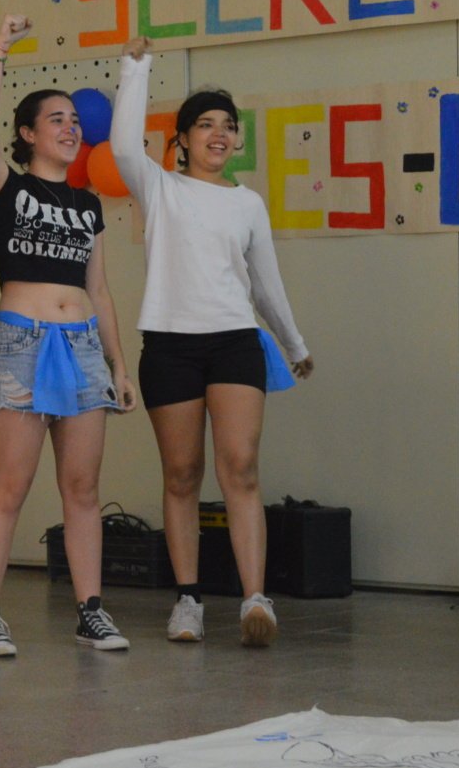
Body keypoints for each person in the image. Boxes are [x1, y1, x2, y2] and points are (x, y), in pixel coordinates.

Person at [108, 36, 313, 648]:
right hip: (169, 346)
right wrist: (136, 69)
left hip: (234, 344)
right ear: (182, 140)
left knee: (240, 468)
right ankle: (189, 600)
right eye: (205, 125)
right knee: (181, 474)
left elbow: (266, 283)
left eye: (228, 126)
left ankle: (255, 599)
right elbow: (123, 146)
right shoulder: (159, 188)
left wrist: (294, 344)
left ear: (237, 140)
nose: (218, 134)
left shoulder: (248, 204)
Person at [0, 14, 137, 658]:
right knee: (10, 486)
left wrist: (120, 366)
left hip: (82, 343)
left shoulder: (88, 204)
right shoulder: (6, 188)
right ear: (28, 133)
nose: (70, 128)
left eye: (74, 121)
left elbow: (101, 289)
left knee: (83, 489)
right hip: (22, 340)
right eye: (56, 120)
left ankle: (90, 610)